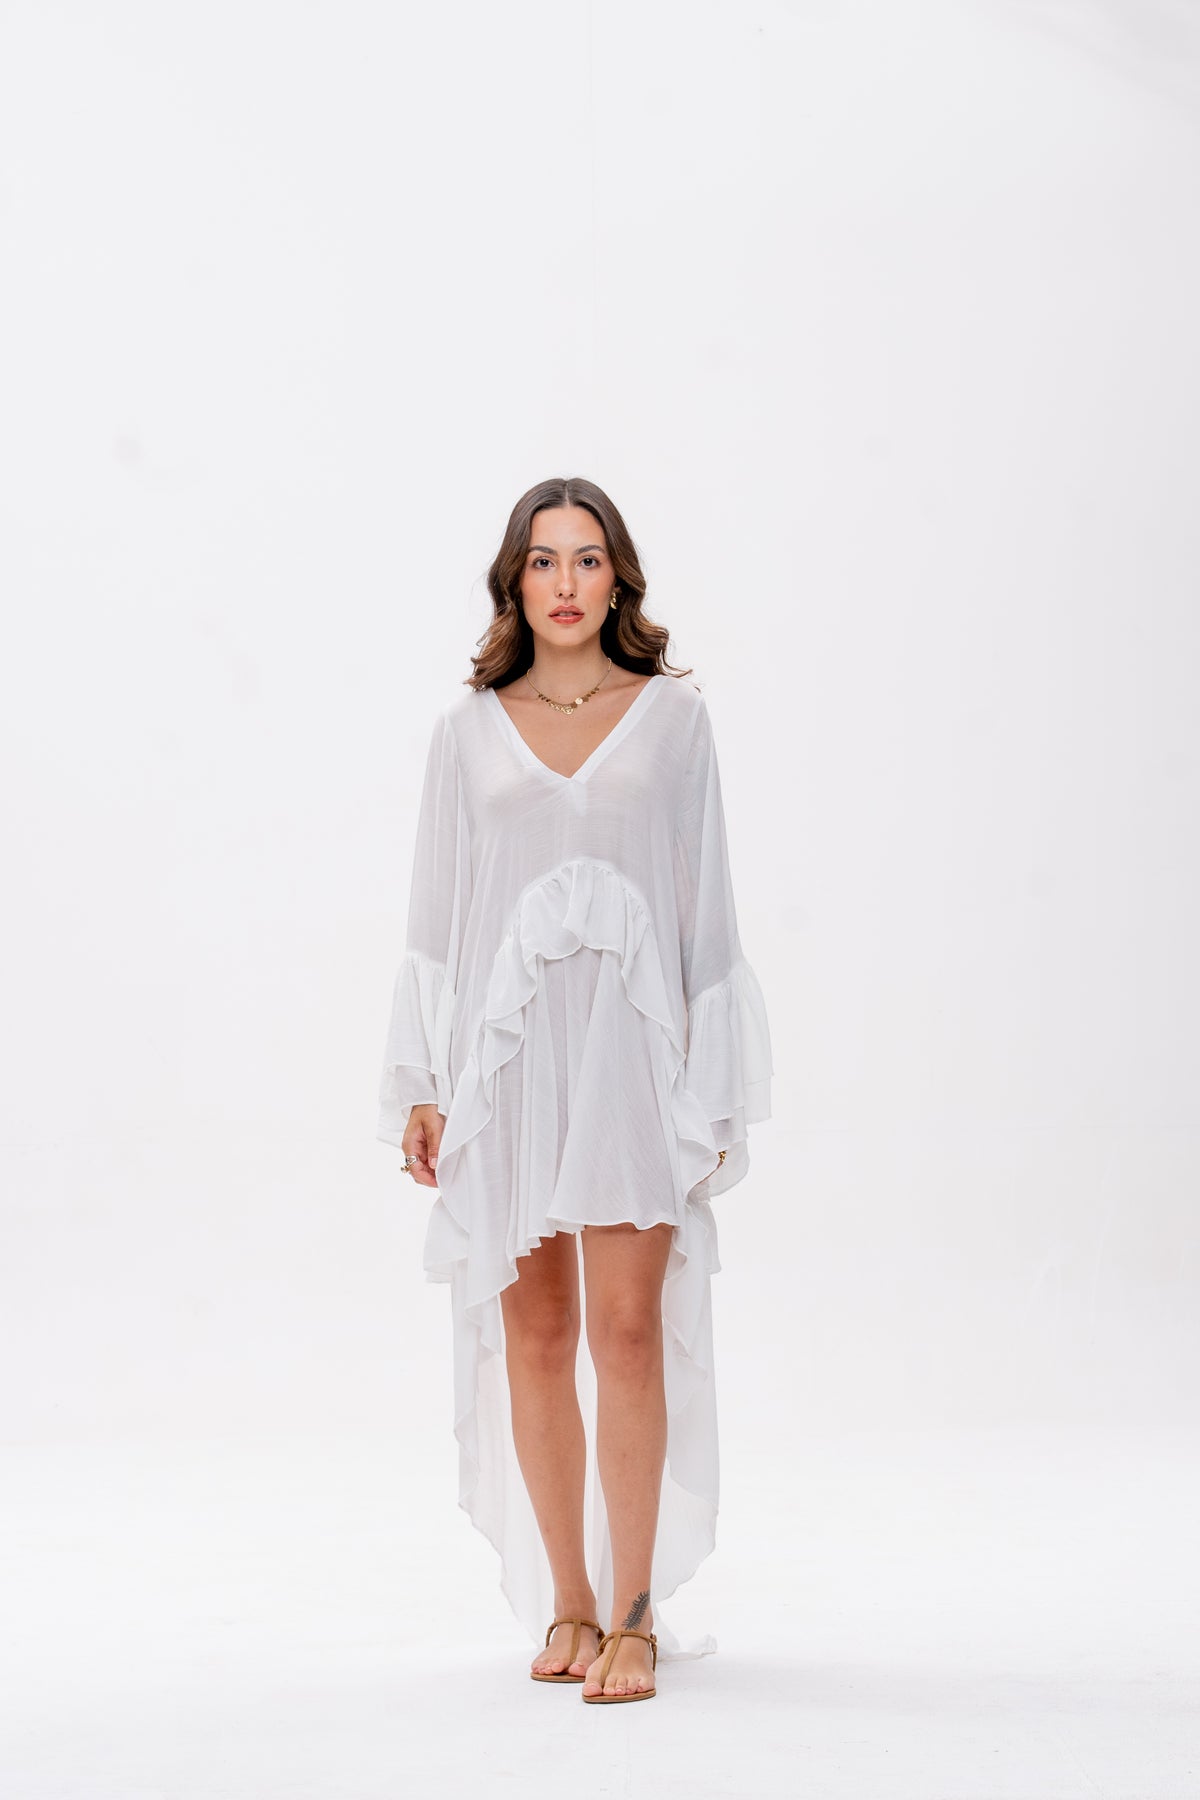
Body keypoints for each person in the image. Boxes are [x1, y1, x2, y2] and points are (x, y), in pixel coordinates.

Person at [377, 476, 772, 1703]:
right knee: (536, 1334)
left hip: (631, 1058)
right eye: (542, 561)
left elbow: (706, 910)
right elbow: (437, 918)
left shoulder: (674, 721)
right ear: (515, 582)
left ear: (618, 579)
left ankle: (638, 1615)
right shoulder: (467, 731)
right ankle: (570, 1605)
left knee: (629, 1330)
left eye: (587, 559)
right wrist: (424, 1082)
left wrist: (715, 1080)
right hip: (508, 1065)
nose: (564, 582)